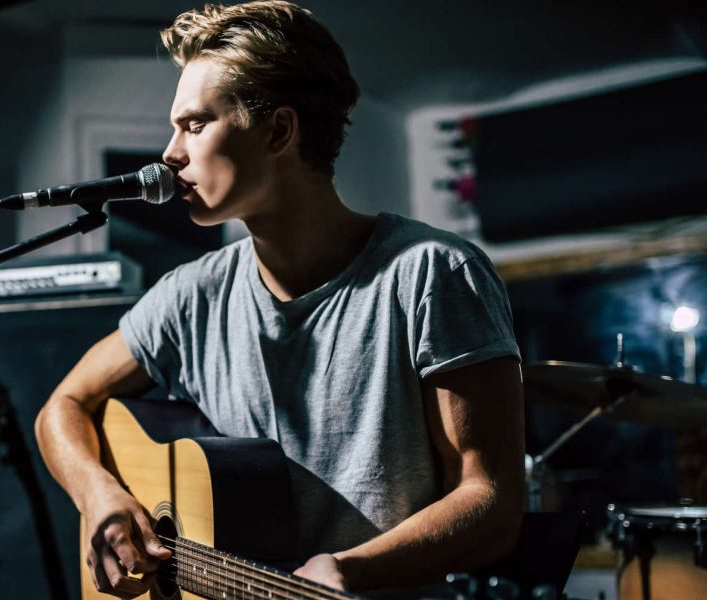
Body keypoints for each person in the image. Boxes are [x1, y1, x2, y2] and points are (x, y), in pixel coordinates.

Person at [35, 1, 525, 597]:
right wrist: (102, 498)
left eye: (194, 124)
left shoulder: (433, 274)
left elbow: (491, 500)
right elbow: (63, 405)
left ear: (279, 131)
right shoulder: (190, 297)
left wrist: (351, 569)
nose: (170, 154)